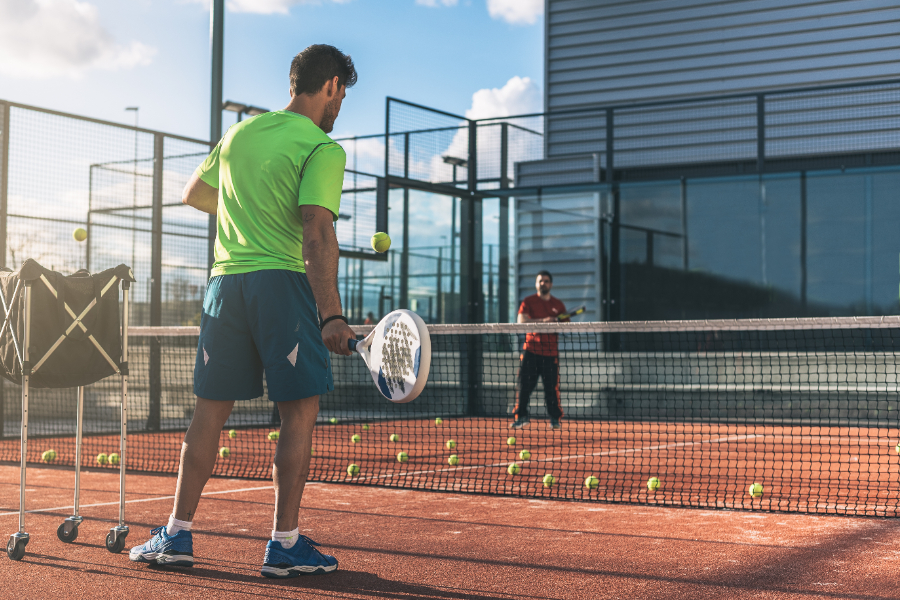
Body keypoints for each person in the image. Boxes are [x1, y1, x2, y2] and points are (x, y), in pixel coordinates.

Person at [128, 45, 357, 579]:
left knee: (209, 411)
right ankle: (284, 544)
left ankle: (177, 535)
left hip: (225, 285)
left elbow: (195, 193)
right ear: (330, 87)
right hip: (284, 286)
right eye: (341, 95)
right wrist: (331, 316)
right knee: (297, 413)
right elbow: (317, 232)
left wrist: (245, 204)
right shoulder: (323, 148)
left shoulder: (240, 134)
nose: (339, 106)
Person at [510, 270, 569, 431]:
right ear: (536, 284)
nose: (543, 283)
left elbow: (566, 324)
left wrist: (556, 323)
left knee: (551, 388)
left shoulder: (558, 305)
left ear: (551, 284)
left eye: (546, 281)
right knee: (524, 386)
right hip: (531, 351)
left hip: (550, 354)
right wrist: (544, 321)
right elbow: (521, 321)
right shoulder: (528, 301)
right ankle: (521, 416)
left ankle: (555, 419)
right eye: (540, 281)